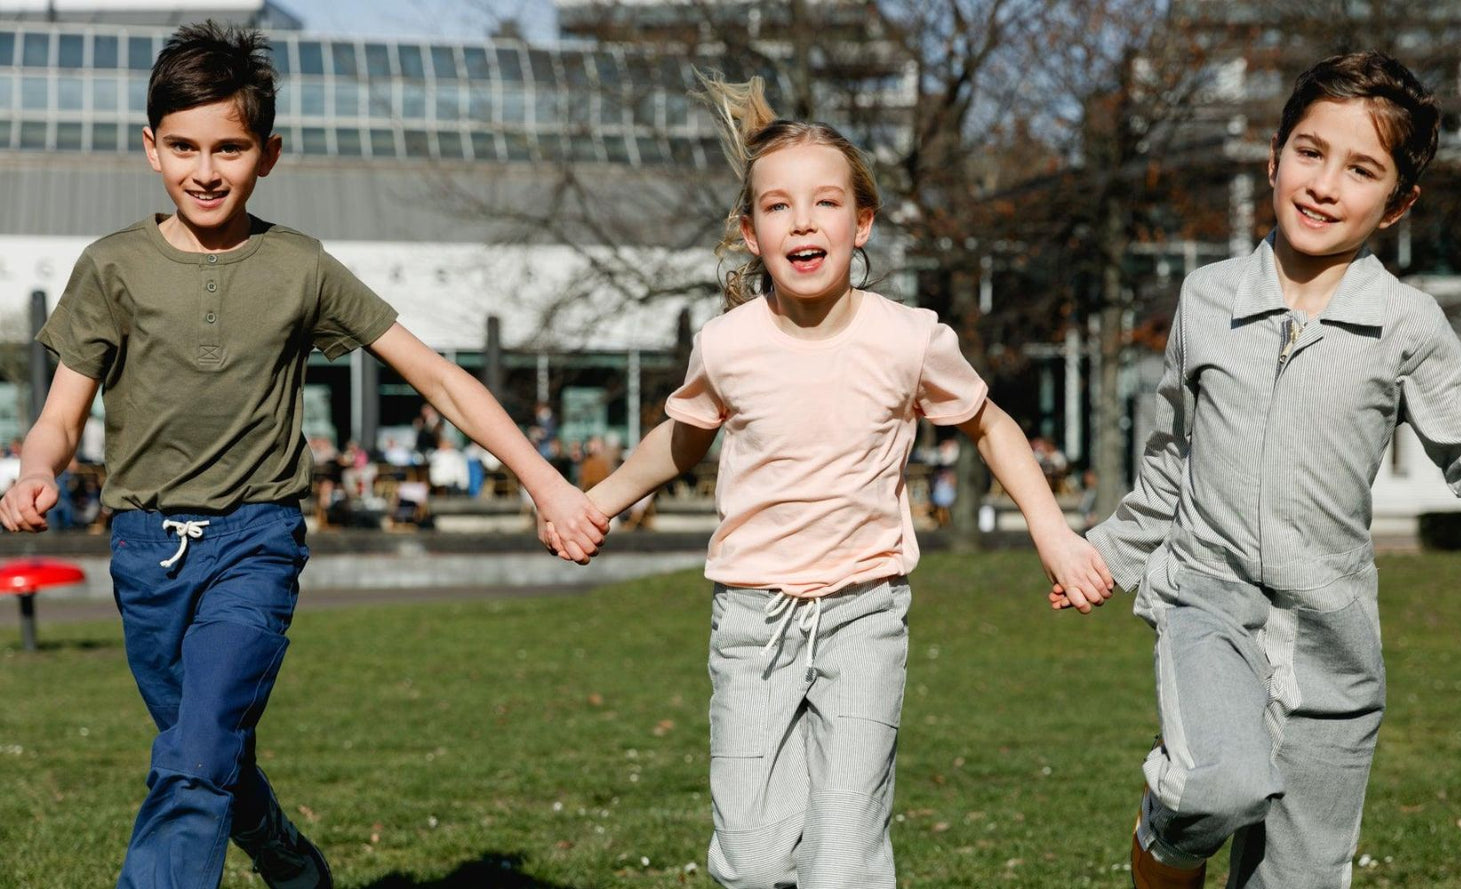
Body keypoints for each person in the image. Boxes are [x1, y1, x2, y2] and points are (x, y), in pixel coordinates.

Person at [0, 21, 609, 889]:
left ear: (269, 153)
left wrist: (546, 482)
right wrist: (36, 467)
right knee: (201, 749)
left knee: (193, 754)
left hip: (257, 541)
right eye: (182, 147)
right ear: (149, 148)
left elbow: (433, 375)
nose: (205, 170)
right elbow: (62, 412)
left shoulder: (300, 268)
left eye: (229, 148)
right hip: (144, 549)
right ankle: (288, 860)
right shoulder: (112, 268)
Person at [553, 72, 1114, 889]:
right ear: (750, 232)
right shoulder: (726, 344)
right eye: (778, 205)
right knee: (750, 859)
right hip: (751, 619)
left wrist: (1055, 535)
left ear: (863, 222)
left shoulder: (910, 338)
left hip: (864, 613)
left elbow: (991, 426)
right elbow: (682, 440)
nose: (803, 220)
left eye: (825, 202)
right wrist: (594, 502)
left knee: (843, 859)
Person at [1079, 51, 1461, 889]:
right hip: (1211, 600)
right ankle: (1160, 841)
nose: (1323, 184)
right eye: (1310, 152)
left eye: (1361, 169)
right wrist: (1111, 550)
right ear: (1274, 156)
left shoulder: (1406, 324)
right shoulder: (1206, 299)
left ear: (1398, 204)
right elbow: (1173, 454)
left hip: (1332, 637)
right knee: (1217, 785)